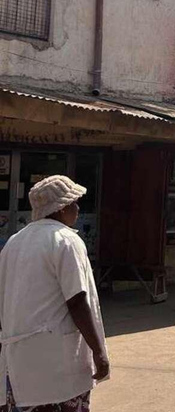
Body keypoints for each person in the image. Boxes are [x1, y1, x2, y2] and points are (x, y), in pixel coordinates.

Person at [0, 176, 109, 411]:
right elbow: (77, 300)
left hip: (18, 362)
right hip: (57, 363)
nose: (77, 209)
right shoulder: (66, 240)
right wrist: (98, 350)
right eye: (73, 203)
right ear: (60, 209)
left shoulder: (14, 242)